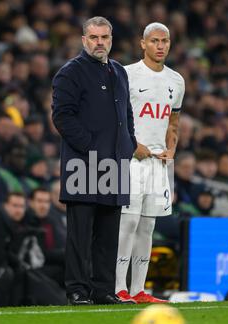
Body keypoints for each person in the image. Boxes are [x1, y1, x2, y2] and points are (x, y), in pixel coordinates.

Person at [52, 16, 137, 305]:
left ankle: (104, 289)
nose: (99, 42)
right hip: (83, 165)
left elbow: (127, 113)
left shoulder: (119, 71)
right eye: (93, 37)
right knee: (80, 233)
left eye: (104, 37)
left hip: (115, 163)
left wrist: (129, 144)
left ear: (111, 39)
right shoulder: (70, 73)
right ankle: (77, 289)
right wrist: (91, 148)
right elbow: (62, 116)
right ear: (83, 39)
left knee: (108, 232)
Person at [115, 22, 185, 303]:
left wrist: (171, 148)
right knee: (127, 224)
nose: (160, 46)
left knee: (148, 227)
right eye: (154, 41)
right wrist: (133, 145)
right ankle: (118, 287)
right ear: (142, 43)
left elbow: (174, 121)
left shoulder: (176, 80)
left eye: (165, 41)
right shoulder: (128, 74)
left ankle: (139, 290)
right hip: (131, 160)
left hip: (159, 165)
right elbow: (116, 117)